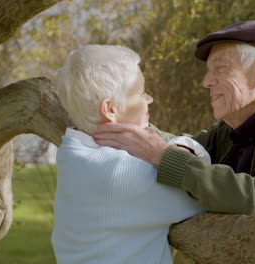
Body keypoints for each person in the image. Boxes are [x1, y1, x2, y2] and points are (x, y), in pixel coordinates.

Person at [93, 21, 255, 263]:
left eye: (220, 69)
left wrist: (163, 157)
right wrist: (123, 122)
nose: (206, 82)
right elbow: (179, 146)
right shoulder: (231, 130)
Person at [52, 45, 208, 264]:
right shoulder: (124, 175)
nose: (149, 99)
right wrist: (179, 146)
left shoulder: (70, 151)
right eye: (139, 92)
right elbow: (203, 193)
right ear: (110, 109)